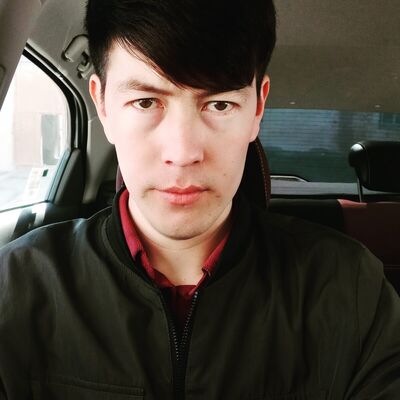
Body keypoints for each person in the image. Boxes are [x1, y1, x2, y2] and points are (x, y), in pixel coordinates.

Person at [0, 0, 399, 398]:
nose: (183, 152)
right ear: (102, 105)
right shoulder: (16, 286)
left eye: (219, 104)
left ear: (257, 109)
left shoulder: (350, 290)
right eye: (145, 102)